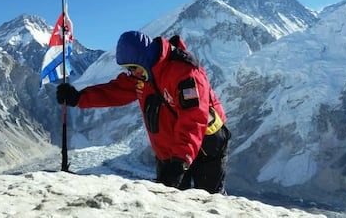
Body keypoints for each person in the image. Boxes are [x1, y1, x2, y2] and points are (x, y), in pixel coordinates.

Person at [56, 31, 231, 194]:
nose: (131, 73)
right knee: (172, 205)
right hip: (171, 153)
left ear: (143, 59)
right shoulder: (144, 75)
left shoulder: (184, 73)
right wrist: (79, 98)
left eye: (132, 68)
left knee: (209, 201)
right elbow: (115, 91)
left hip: (206, 147)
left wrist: (180, 160)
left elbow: (193, 118)